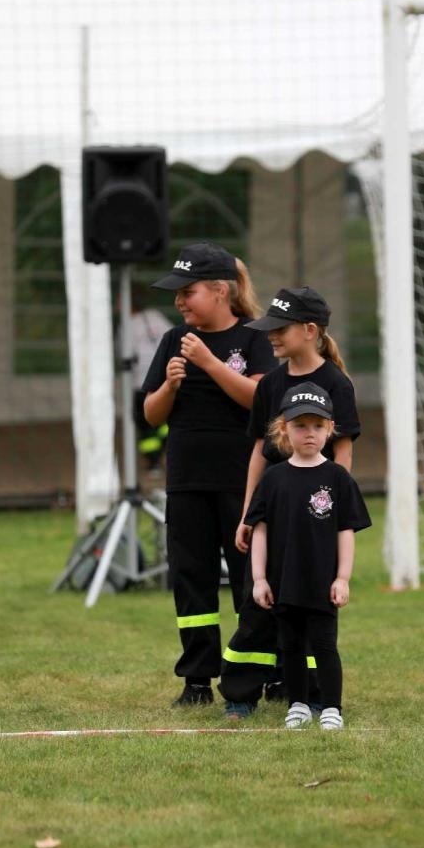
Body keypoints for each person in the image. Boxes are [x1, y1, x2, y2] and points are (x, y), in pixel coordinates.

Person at [141, 242, 278, 707]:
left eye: (188, 291)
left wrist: (209, 363)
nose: (179, 301)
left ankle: (263, 670)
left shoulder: (255, 338)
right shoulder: (173, 341)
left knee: (250, 579)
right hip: (186, 482)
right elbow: (152, 415)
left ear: (221, 291)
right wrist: (170, 384)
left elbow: (259, 400)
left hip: (242, 483)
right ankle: (197, 680)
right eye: (176, 294)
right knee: (191, 579)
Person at [218, 286, 361, 717]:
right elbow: (260, 453)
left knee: (314, 609)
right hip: (274, 512)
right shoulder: (272, 385)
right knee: (259, 605)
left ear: (310, 331)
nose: (271, 338)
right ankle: (241, 694)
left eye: (279, 330)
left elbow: (344, 453)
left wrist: (332, 513)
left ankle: (313, 696)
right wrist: (248, 513)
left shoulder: (337, 384)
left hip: (315, 518)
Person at [246, 382, 371, 729]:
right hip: (283, 580)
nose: (310, 433)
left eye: (318, 426)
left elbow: (346, 530)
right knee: (290, 646)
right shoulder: (272, 479)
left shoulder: (337, 478)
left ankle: (332, 707)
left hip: (321, 581)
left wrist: (342, 577)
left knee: (325, 645)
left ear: (330, 428)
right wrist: (259, 578)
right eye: (301, 425)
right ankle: (298, 704)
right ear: (284, 428)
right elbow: (260, 529)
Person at [123, 288, 173, 472]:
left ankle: (153, 461)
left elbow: (123, 352)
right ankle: (161, 451)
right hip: (162, 378)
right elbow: (172, 337)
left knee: (145, 423)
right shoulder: (155, 316)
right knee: (164, 420)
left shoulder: (128, 324)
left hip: (140, 382)